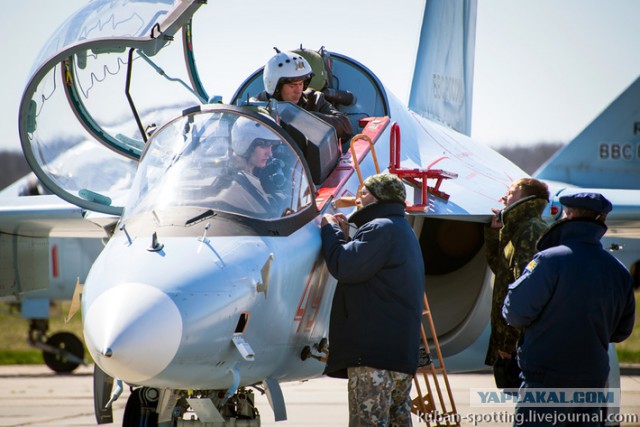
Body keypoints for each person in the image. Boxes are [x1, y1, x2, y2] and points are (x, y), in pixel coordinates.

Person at [503, 192, 636, 425]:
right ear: (601, 221)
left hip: (546, 380)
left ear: (570, 214)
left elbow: (515, 313)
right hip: (593, 383)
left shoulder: (548, 261)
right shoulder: (618, 270)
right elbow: (621, 331)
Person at [320, 173, 424, 426]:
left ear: (378, 198)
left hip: (374, 358)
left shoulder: (380, 228)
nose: (357, 199)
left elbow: (345, 267)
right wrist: (348, 239)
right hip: (398, 355)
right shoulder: (401, 230)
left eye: (364, 193)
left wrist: (330, 229)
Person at [483, 178, 550, 389]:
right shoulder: (519, 230)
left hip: (521, 344)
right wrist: (495, 234)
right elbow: (503, 272)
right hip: (515, 342)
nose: (505, 197)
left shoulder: (531, 231)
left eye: (511, 193)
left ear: (527, 199)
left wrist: (509, 342)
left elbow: (526, 291)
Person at [255, 50, 353, 142]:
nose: (298, 90)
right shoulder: (257, 107)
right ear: (276, 87)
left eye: (301, 83)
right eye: (292, 85)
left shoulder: (314, 99)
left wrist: (302, 117)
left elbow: (345, 127)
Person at [211, 117, 285, 218]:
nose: (270, 154)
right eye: (264, 146)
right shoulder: (234, 182)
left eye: (272, 147)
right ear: (245, 144)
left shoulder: (256, 173)